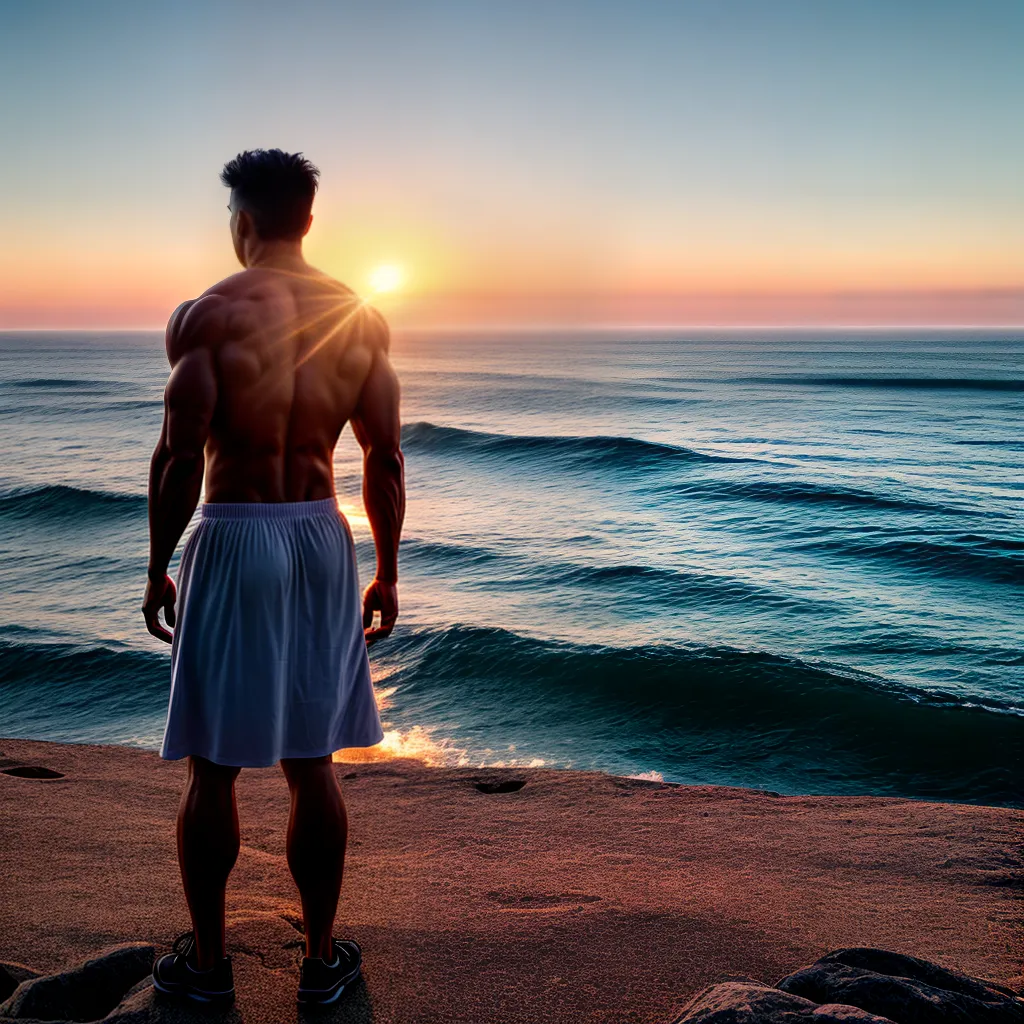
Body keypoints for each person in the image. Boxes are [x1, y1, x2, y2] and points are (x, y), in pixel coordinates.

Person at [141, 149, 405, 1007]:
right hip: (321, 538)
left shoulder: (207, 315)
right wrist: (388, 572)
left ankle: (209, 970)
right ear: (309, 220)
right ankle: (323, 965)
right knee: (312, 761)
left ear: (241, 221)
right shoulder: (361, 317)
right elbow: (386, 456)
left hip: (234, 530)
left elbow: (182, 455)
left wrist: (156, 565)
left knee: (213, 768)